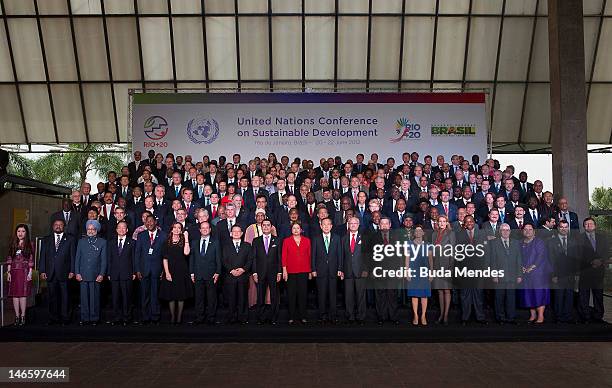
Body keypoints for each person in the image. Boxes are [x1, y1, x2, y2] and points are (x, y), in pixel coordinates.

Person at [135, 215, 168, 324]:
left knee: (155, 294)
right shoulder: (141, 235)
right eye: (147, 221)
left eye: (151, 221)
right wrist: (138, 270)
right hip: (144, 270)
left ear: (155, 222)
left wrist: (164, 270)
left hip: (157, 270)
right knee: (144, 294)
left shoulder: (163, 236)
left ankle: (155, 317)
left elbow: (165, 255)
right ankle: (145, 317)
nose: (149, 223)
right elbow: (137, 254)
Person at [577, 217, 610, 323]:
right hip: (585, 271)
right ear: (583, 226)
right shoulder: (579, 238)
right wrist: (591, 262)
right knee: (584, 296)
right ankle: (585, 317)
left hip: (599, 271)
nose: (589, 226)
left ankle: (598, 316)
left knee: (598, 295)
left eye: (591, 224)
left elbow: (606, 252)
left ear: (595, 226)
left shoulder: (602, 238)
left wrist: (600, 261)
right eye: (586, 224)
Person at [74, 220, 108, 325]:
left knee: (94, 298)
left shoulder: (102, 242)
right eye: (89, 229)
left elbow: (104, 260)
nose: (91, 231)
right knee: (84, 298)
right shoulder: (81, 241)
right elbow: (77, 259)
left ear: (97, 230)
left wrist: (102, 274)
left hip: (95, 274)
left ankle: (94, 318)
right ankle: (84, 318)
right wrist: (77, 273)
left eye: (93, 229)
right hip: (83, 274)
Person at [311, 217, 343, 324]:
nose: (326, 226)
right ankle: (322, 315)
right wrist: (313, 269)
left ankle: (333, 315)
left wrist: (340, 268)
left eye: (328, 224)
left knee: (333, 294)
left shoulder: (337, 238)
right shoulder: (316, 238)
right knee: (321, 294)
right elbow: (313, 255)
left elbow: (340, 254)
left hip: (334, 270)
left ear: (331, 226)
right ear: (320, 226)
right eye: (324, 224)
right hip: (320, 271)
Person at [159, 222, 193, 324]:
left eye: (179, 228)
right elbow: (165, 259)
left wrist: (186, 238)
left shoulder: (183, 241)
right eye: (175, 227)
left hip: (182, 270)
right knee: (171, 294)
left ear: (181, 230)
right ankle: (173, 316)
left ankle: (179, 317)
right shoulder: (166, 242)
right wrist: (167, 273)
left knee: (181, 295)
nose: (177, 229)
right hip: (170, 270)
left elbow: (186, 253)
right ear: (172, 229)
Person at [489, 223, 523, 325]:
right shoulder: (494, 243)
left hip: (512, 275)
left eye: (507, 230)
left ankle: (511, 318)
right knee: (499, 298)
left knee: (511, 298)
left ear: (510, 231)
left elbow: (519, 260)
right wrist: (494, 274)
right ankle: (500, 318)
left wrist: (519, 275)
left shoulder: (516, 243)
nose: (505, 232)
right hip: (499, 275)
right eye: (503, 230)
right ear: (500, 231)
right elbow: (492, 260)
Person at [519, 223, 552, 324]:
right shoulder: (520, 243)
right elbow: (517, 257)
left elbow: (541, 256)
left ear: (534, 231)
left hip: (539, 272)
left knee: (539, 294)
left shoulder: (539, 242)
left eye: (530, 229)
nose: (528, 231)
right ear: (522, 231)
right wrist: (521, 267)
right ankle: (532, 315)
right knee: (529, 294)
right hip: (525, 273)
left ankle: (540, 316)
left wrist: (531, 267)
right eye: (525, 229)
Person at [251, 219, 282, 325]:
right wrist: (254, 272)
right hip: (260, 273)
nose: (266, 227)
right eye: (264, 225)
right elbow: (254, 258)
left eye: (268, 225)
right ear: (261, 227)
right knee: (260, 296)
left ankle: (273, 317)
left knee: (274, 296)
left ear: (271, 227)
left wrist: (279, 272)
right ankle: (260, 318)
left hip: (274, 273)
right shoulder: (256, 241)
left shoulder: (277, 240)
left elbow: (279, 258)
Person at [189, 221, 221, 325]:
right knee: (199, 298)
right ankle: (199, 317)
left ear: (210, 229)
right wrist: (192, 273)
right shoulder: (194, 242)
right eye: (203, 228)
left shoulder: (215, 242)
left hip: (211, 274)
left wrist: (217, 272)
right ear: (200, 230)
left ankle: (211, 317)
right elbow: (192, 258)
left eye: (207, 227)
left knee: (211, 298)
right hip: (198, 273)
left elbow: (218, 259)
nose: (205, 229)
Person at [282, 221, 312, 324]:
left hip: (304, 271)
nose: (295, 230)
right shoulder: (286, 241)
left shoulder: (307, 241)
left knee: (303, 295)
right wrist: (284, 270)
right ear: (291, 230)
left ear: (301, 230)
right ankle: (291, 316)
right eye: (294, 228)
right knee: (291, 295)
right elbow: (284, 256)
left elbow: (309, 256)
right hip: (290, 271)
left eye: (297, 228)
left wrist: (310, 271)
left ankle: (303, 316)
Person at [107, 220, 136, 326]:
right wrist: (109, 272)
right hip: (114, 273)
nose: (121, 229)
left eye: (124, 227)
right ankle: (116, 317)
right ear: (116, 229)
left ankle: (126, 317)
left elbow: (134, 258)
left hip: (127, 273)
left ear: (127, 230)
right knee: (115, 297)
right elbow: (109, 259)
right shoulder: (111, 242)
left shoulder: (132, 242)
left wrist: (134, 272)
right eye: (119, 227)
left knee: (126, 297)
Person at [222, 225, 252, 324]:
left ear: (242, 233)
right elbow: (224, 260)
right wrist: (231, 270)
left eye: (238, 231)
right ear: (231, 233)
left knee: (242, 298)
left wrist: (243, 269)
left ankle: (242, 318)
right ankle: (231, 317)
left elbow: (250, 260)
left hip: (243, 276)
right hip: (230, 276)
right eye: (234, 231)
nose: (236, 233)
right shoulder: (226, 246)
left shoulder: (247, 245)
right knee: (231, 298)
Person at [6, 224, 34, 326]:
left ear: (26, 233)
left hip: (24, 271)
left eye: (23, 231)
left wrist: (30, 272)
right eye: (18, 231)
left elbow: (31, 259)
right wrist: (8, 272)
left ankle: (23, 316)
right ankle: (17, 316)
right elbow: (9, 258)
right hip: (14, 271)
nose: (20, 233)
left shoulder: (30, 244)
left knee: (23, 294)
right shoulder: (13, 243)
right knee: (15, 295)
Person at [430, 215, 455, 325]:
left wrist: (451, 265)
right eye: (440, 221)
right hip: (436, 264)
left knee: (446, 290)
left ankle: (446, 315)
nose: (441, 223)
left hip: (446, 264)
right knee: (439, 290)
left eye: (444, 221)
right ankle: (441, 314)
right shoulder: (434, 233)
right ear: (437, 222)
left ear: (447, 222)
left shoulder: (451, 233)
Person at [406, 226, 433, 326]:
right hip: (413, 271)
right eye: (416, 230)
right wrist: (407, 271)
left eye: (420, 230)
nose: (418, 232)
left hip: (424, 272)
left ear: (423, 233)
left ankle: (423, 316)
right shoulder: (409, 244)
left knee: (424, 295)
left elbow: (430, 259)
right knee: (414, 295)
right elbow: (407, 258)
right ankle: (416, 315)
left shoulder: (428, 245)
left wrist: (431, 272)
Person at [342, 217, 367, 324]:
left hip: (360, 271)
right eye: (351, 223)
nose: (353, 225)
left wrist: (366, 269)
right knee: (348, 296)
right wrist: (341, 270)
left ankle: (361, 316)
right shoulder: (343, 238)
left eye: (355, 223)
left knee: (361, 295)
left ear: (358, 225)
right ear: (348, 224)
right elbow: (341, 255)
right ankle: (350, 316)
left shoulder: (364, 238)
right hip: (347, 270)